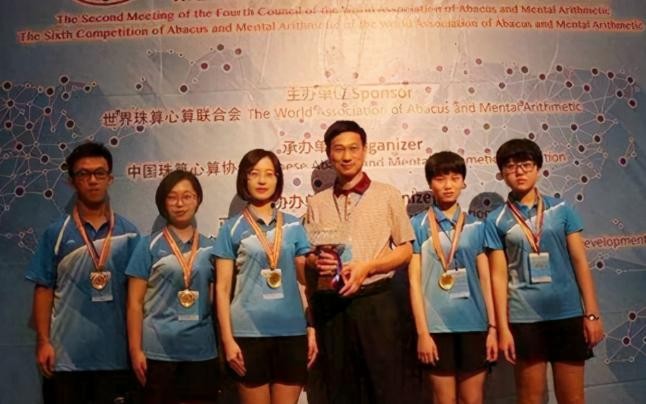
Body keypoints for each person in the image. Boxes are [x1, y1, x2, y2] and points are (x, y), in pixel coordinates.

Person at [484, 138, 604, 403]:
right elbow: (498, 276)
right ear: (502, 173)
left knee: (572, 398)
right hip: (524, 318)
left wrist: (592, 314)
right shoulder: (495, 220)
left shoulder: (562, 210)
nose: (519, 171)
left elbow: (579, 262)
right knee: (530, 399)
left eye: (526, 164)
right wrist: (503, 328)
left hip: (567, 313)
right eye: (511, 166)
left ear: (538, 168)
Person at [306, 120, 414, 404]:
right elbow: (309, 254)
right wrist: (317, 263)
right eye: (339, 149)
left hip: (377, 303)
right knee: (340, 390)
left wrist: (368, 267)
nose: (346, 156)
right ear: (329, 154)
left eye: (353, 148)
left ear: (365, 150)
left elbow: (405, 250)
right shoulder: (317, 203)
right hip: (333, 306)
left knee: (386, 388)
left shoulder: (387, 194)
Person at [25, 141, 140, 404]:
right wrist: (43, 341)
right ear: (71, 181)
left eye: (99, 173)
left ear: (110, 178)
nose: (92, 180)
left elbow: (137, 298)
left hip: (116, 359)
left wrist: (136, 349)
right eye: (83, 174)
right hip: (66, 361)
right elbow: (43, 289)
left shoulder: (129, 233)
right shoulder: (56, 233)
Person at [214, 149, 317, 404]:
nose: (262, 180)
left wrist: (312, 327)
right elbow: (222, 289)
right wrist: (227, 340)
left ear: (277, 179)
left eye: (269, 174)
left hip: (292, 332)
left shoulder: (294, 225)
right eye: (254, 173)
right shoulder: (231, 228)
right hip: (247, 334)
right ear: (244, 179)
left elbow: (307, 282)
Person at [408, 151, 497, 404]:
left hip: (475, 325)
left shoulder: (478, 226)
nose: (448, 185)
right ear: (430, 183)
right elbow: (414, 282)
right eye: (440, 179)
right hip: (435, 328)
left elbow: (485, 279)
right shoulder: (417, 225)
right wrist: (422, 333)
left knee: (473, 400)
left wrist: (492, 328)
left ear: (463, 182)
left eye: (455, 178)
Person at [126, 170, 219, 404]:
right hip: (157, 352)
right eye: (172, 197)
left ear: (198, 199)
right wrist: (135, 350)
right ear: (162, 202)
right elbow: (134, 303)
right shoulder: (147, 245)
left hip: (201, 351)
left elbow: (218, 299)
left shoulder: (211, 248)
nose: (180, 203)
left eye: (187, 196)